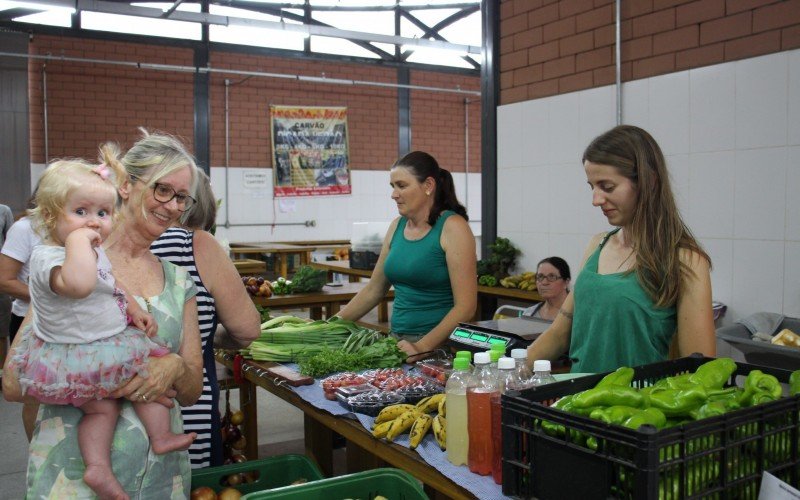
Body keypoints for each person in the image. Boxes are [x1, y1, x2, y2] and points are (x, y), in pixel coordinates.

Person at [3, 130, 204, 498]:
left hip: (159, 480)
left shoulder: (177, 280)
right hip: (73, 480)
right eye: (163, 190)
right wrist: (113, 377)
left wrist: (173, 366)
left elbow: (191, 390)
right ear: (125, 185)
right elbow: (14, 382)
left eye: (182, 197)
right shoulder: (69, 267)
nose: (173, 206)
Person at [527, 125, 715, 373]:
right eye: (591, 186)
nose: (596, 200)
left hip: (637, 407)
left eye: (607, 186)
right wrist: (505, 374)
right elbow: (559, 333)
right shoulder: (598, 245)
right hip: (577, 404)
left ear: (649, 182)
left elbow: (700, 368)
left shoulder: (684, 260)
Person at [152, 167, 260, 468]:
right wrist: (211, 336)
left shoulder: (106, 244)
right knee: (190, 481)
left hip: (118, 417)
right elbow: (247, 330)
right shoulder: (195, 244)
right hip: (186, 408)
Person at [337, 151, 477, 357]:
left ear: (428, 186)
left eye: (402, 186)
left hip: (439, 348)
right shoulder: (397, 226)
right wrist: (328, 325)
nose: (394, 194)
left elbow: (466, 307)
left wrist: (422, 346)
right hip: (399, 342)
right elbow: (374, 290)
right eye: (393, 187)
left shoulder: (453, 228)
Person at [0, 205, 42, 440]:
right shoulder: (25, 228)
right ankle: (39, 459)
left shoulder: (96, 224)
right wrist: (52, 297)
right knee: (35, 400)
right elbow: (4, 280)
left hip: (78, 326)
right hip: (30, 324)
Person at [522, 257, 571, 322]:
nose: (544, 282)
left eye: (552, 277)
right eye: (540, 276)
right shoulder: (528, 314)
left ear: (566, 282)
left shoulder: (577, 315)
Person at [0, 203, 15, 366]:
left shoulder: (4, 211)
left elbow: (10, 247)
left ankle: (2, 374)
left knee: (1, 330)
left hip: (0, 283)